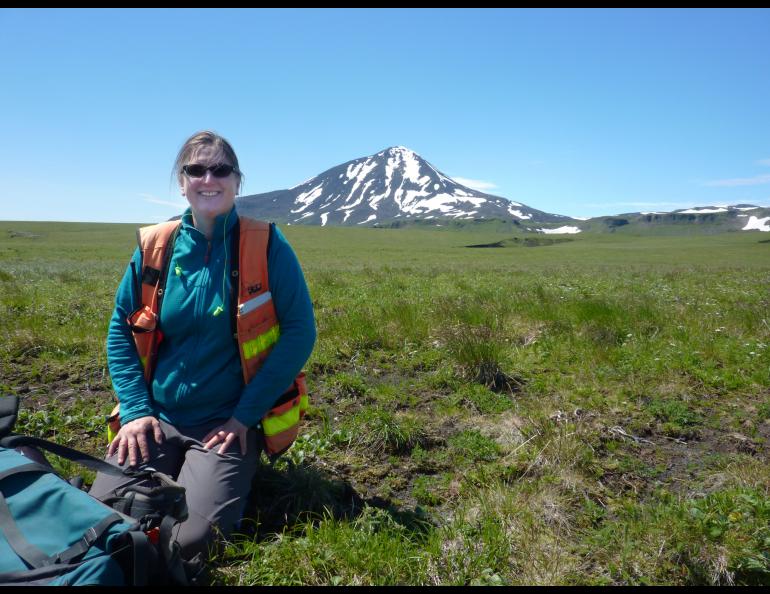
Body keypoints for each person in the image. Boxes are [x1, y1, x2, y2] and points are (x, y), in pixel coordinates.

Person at [89, 131, 316, 561]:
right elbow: (121, 327)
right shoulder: (157, 246)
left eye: (220, 169)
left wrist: (241, 419)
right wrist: (136, 412)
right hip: (156, 418)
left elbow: (301, 331)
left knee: (189, 543)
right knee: (100, 521)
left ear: (237, 180)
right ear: (182, 181)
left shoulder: (265, 245)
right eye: (196, 169)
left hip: (223, 426)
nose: (208, 178)